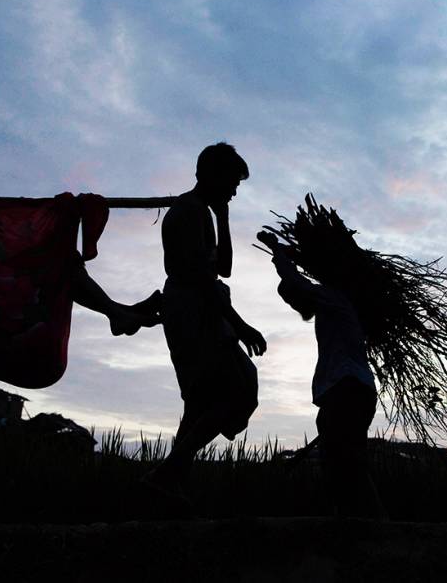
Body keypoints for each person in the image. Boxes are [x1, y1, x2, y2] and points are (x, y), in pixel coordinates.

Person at [143, 143, 266, 502]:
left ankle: (171, 483)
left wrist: (224, 218)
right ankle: (168, 472)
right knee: (238, 390)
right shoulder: (189, 211)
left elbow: (223, 267)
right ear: (212, 175)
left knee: (200, 404)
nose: (234, 190)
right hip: (194, 311)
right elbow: (201, 278)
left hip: (201, 309)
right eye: (232, 182)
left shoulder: (205, 213)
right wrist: (240, 326)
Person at [257, 229, 386, 519]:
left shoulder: (334, 298)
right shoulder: (338, 307)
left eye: (293, 300)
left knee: (346, 461)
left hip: (347, 389)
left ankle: (374, 525)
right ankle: (354, 522)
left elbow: (295, 281)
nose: (295, 306)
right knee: (343, 460)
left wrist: (276, 249)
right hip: (351, 390)